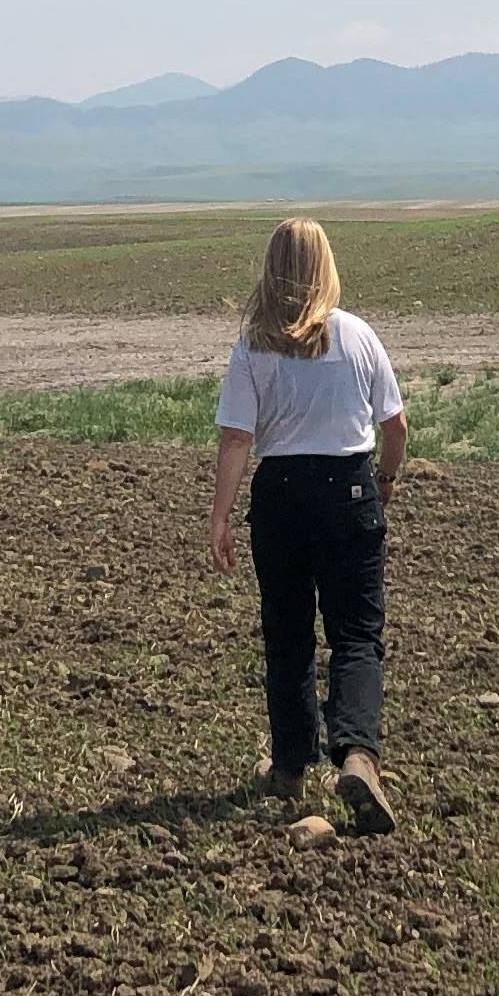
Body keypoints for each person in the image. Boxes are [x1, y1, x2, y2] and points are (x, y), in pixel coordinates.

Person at [207, 217, 407, 835]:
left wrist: (219, 517)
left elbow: (238, 436)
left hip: (280, 497)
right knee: (355, 634)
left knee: (287, 634)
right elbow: (395, 427)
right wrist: (386, 481)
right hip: (349, 489)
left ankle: (291, 766)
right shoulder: (358, 337)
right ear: (326, 267)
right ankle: (357, 755)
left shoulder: (253, 345)